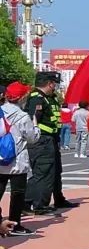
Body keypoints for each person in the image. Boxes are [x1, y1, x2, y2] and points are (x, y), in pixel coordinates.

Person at [25, 72, 76, 214]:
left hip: (51, 139)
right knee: (43, 172)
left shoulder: (50, 98)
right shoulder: (37, 98)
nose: (55, 87)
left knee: (55, 171)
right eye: (54, 83)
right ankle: (36, 204)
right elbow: (32, 120)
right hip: (42, 140)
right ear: (50, 83)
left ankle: (58, 198)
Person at [0, 82, 41, 236]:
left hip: (1, 158)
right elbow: (31, 138)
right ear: (22, 97)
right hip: (17, 160)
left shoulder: (0, 111)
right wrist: (36, 126)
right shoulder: (22, 116)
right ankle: (15, 224)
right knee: (17, 194)